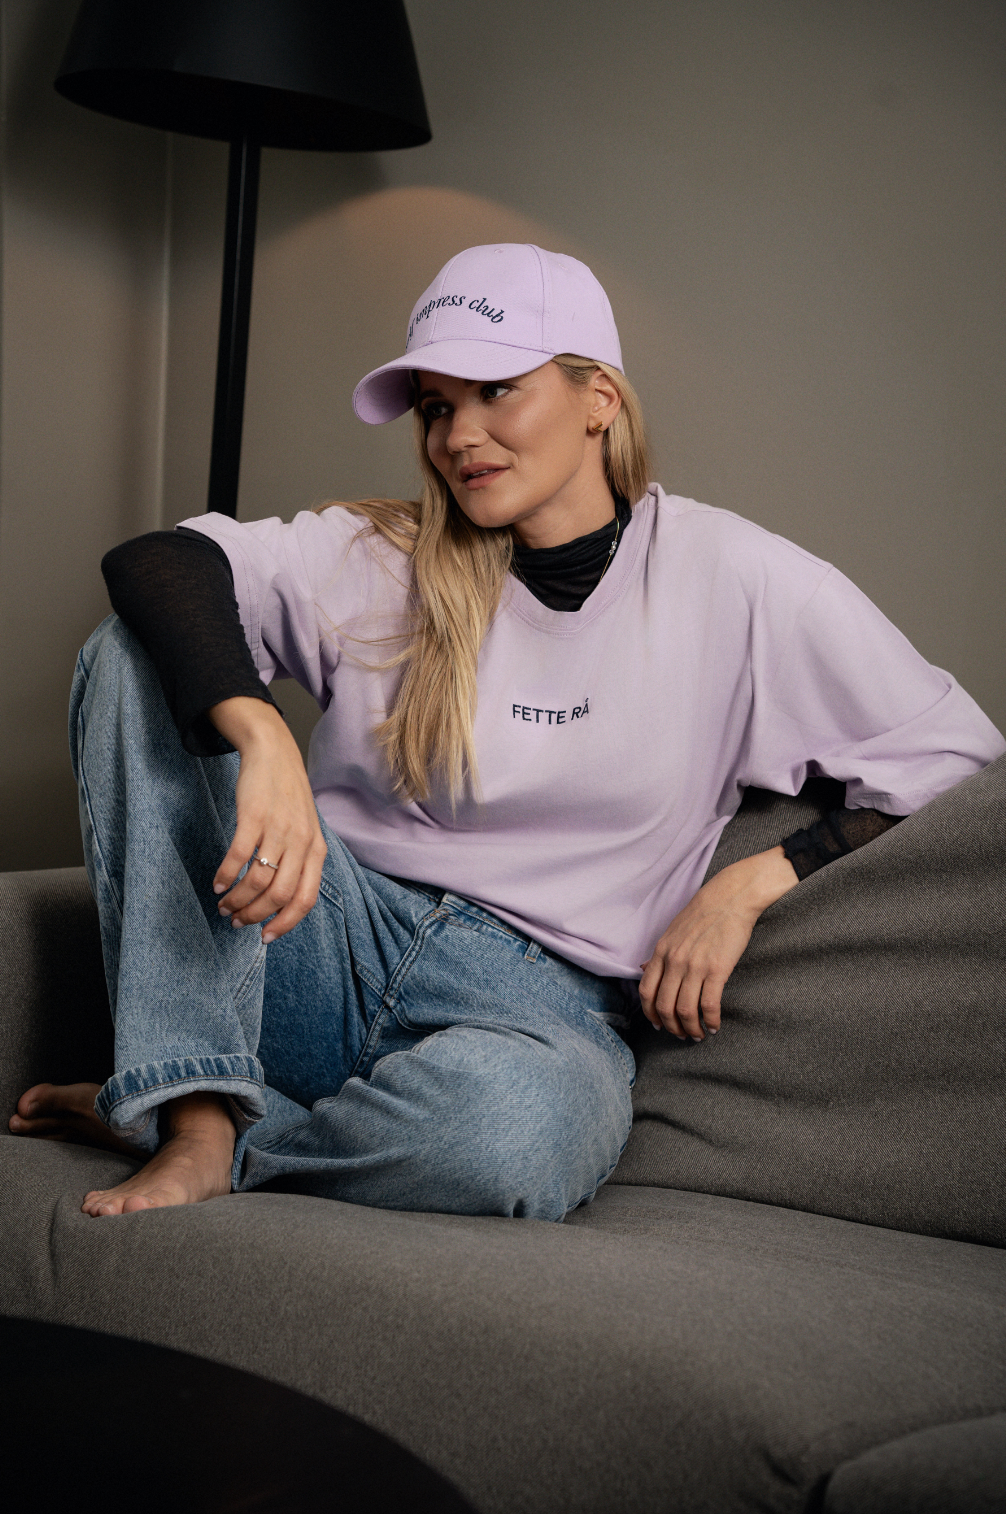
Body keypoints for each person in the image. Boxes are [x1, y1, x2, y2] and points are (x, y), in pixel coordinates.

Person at [10, 243, 1004, 1221]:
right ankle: (192, 1110)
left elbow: (956, 756)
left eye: (496, 390)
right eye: (437, 407)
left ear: (598, 397)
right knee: (131, 651)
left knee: (516, 1138)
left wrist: (749, 882)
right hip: (315, 938)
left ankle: (212, 1131)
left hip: (538, 1009)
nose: (459, 435)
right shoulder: (380, 554)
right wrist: (261, 731)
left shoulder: (733, 578)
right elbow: (158, 562)